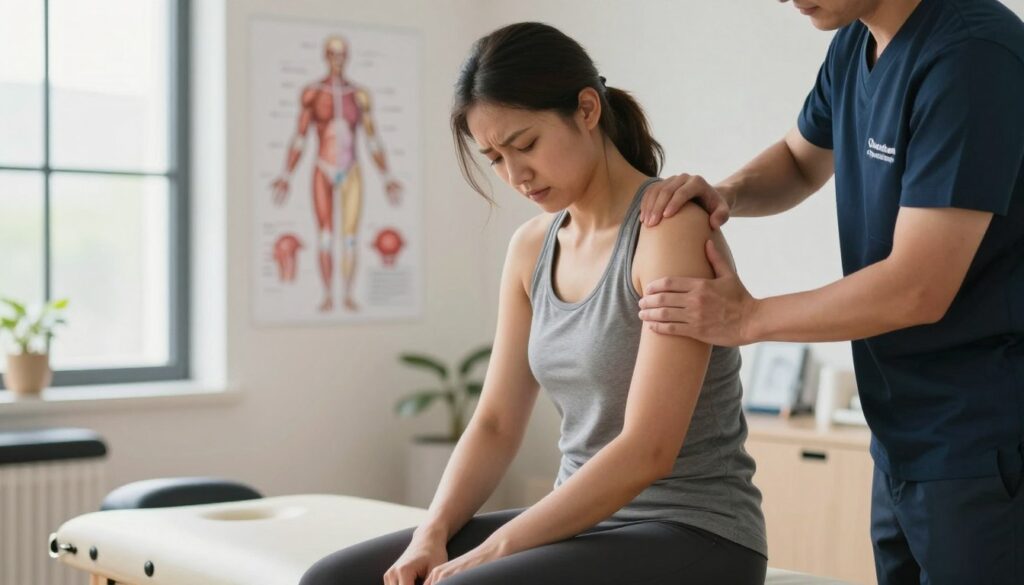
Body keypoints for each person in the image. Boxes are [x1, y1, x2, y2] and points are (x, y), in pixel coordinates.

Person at [300, 22, 767, 585]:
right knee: (334, 580)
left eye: (525, 144)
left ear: (587, 110)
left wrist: (492, 553)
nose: (516, 175)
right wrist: (433, 533)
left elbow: (648, 450)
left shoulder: (667, 230)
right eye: (495, 157)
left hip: (696, 530)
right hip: (582, 523)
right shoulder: (531, 247)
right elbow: (496, 421)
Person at [637, 1, 1024, 583]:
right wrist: (725, 193)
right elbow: (798, 161)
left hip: (980, 439)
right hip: (899, 433)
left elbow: (918, 289)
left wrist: (749, 319)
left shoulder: (972, 55)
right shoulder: (854, 41)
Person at [271, 36, 403, 313]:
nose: (338, 59)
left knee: (350, 237)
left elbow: (372, 138)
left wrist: (387, 176)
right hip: (323, 167)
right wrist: (286, 174)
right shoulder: (313, 93)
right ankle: (329, 295)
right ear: (326, 56)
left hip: (351, 168)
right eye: (333, 54)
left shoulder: (359, 95)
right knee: (326, 237)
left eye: (342, 54)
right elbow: (300, 137)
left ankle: (348, 295)